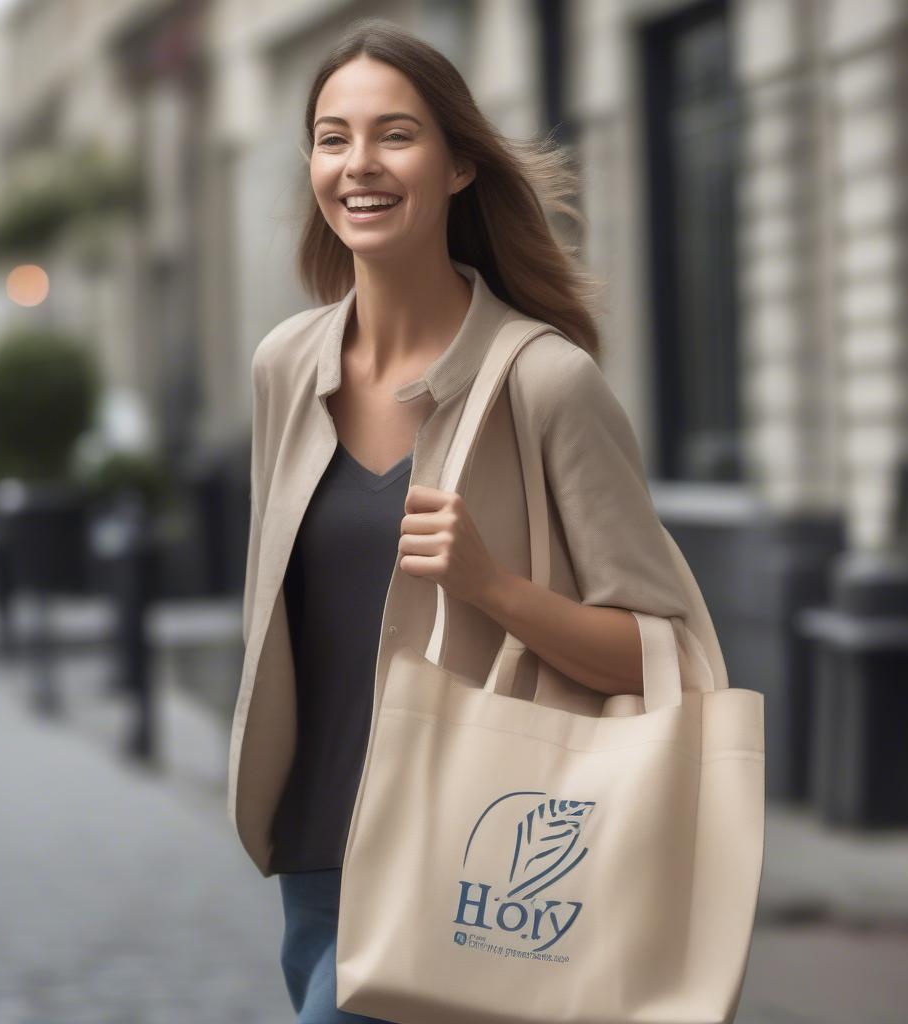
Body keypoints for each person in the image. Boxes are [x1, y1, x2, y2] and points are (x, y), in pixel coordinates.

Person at [229, 16, 727, 1024]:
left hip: (467, 858)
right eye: (333, 137)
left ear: (459, 163)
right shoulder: (285, 366)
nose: (358, 164)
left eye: (394, 134)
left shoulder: (547, 382)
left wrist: (492, 587)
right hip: (313, 856)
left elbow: (665, 652)